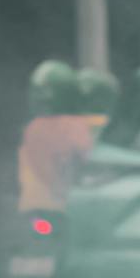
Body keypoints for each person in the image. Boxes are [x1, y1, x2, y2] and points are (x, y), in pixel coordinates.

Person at [15, 60, 93, 216]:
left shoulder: (31, 128)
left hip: (32, 210)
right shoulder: (76, 125)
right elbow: (85, 162)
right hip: (65, 210)